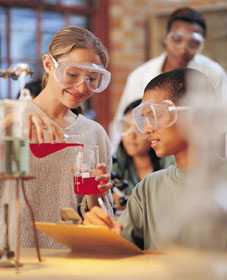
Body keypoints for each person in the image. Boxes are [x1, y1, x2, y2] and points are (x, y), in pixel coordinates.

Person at [84, 67, 227, 251]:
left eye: (156, 116)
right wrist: (98, 224)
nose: (146, 130)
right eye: (145, 119)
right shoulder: (148, 187)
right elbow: (120, 251)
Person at [0, 26, 113, 249]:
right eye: (72, 74)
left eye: (92, 78)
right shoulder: (8, 118)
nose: (82, 86)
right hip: (10, 258)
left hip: (70, 261)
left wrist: (95, 196)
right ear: (49, 64)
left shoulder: (94, 134)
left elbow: (100, 218)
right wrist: (10, 123)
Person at [110, 7, 227, 148]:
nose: (183, 49)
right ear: (166, 38)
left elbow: (222, 122)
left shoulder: (212, 73)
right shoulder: (140, 75)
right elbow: (124, 121)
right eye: (177, 40)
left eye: (193, 44)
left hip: (196, 154)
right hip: (151, 153)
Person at [112, 99, 163, 211]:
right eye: (126, 127)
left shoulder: (169, 162)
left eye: (139, 129)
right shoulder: (117, 161)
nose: (131, 136)